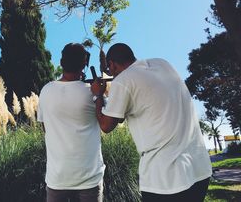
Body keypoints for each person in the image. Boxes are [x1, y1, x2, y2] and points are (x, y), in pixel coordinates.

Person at [91, 43, 212, 202]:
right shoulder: (162, 64)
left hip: (166, 180)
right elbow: (127, 110)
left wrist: (97, 95)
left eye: (109, 67)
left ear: (112, 64)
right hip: (199, 169)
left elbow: (106, 125)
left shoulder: (123, 81)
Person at [37, 43, 105, 202]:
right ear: (84, 64)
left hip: (57, 179)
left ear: (61, 63)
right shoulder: (91, 93)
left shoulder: (45, 91)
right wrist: (99, 95)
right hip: (89, 178)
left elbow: (45, 127)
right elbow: (106, 121)